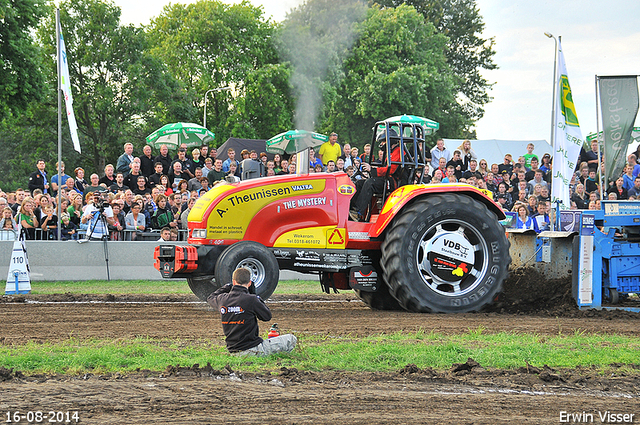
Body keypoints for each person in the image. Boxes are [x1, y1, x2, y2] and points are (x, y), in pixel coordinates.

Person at [207, 267, 297, 356]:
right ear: (249, 283)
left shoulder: (223, 299)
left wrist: (227, 287)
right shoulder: (251, 299)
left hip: (233, 351)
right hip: (252, 349)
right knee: (291, 339)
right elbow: (267, 316)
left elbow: (210, 298)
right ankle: (280, 357)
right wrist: (255, 296)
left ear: (234, 282)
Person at [350, 130, 401, 221]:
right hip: (386, 178)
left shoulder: (398, 152)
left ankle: (359, 212)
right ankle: (351, 210)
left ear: (390, 141)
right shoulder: (391, 152)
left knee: (370, 183)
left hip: (393, 181)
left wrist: (372, 170)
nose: (381, 144)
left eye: (383, 141)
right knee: (359, 183)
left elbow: (391, 170)